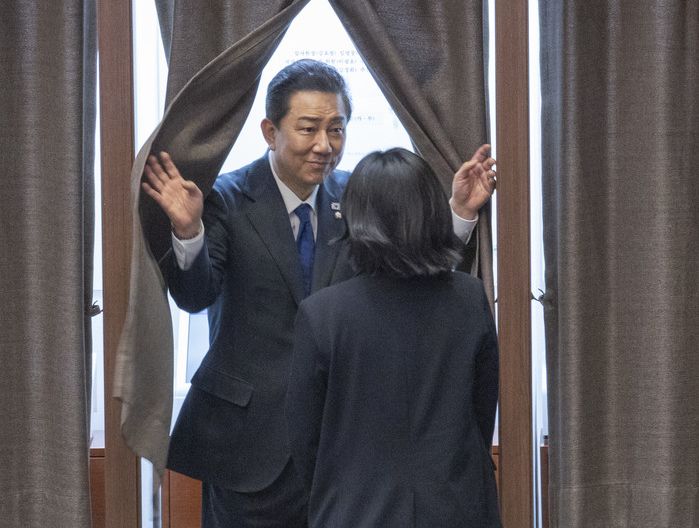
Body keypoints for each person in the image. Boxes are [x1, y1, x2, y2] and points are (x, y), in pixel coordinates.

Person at [141, 59, 496, 527]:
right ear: (270, 131)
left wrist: (459, 214)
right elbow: (195, 296)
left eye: (336, 129)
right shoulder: (224, 197)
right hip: (249, 446)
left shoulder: (359, 196)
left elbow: (413, 276)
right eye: (309, 129)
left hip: (346, 444)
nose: (324, 146)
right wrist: (189, 233)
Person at [285, 147, 501, 527]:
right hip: (457, 507)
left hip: (353, 512)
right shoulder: (469, 299)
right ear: (433, 213)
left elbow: (306, 441)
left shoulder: (322, 314)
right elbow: (482, 412)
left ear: (356, 219)